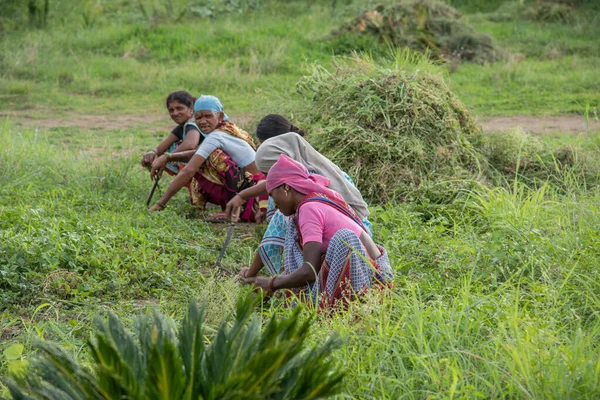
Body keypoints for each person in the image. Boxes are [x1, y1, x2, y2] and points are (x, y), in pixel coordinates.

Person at [227, 114, 371, 277]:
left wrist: (250, 274)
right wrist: (243, 195)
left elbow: (275, 235)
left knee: (286, 224)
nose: (269, 185)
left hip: (349, 255)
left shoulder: (306, 201)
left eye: (270, 176)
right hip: (361, 241)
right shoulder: (320, 175)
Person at [245, 154, 393, 308]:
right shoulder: (310, 205)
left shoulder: (309, 209)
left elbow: (309, 271)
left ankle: (346, 311)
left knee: (343, 238)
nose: (273, 203)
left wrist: (272, 283)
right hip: (373, 274)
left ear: (286, 188)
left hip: (372, 279)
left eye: (271, 194)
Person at [149, 95, 267, 222]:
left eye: (208, 116)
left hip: (252, 192)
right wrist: (168, 157)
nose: (203, 121)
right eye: (198, 117)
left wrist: (161, 203)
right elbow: (198, 152)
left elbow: (189, 170)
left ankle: (236, 211)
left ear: (220, 116)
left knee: (207, 159)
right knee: (202, 157)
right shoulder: (228, 127)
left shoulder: (216, 136)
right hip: (257, 188)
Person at [141, 91, 201, 176]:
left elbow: (191, 144)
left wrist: (167, 157)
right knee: (170, 148)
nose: (175, 113)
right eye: (171, 110)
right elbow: (161, 148)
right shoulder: (181, 127)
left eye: (179, 108)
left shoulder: (192, 124)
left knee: (175, 148)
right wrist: (152, 152)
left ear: (191, 109)